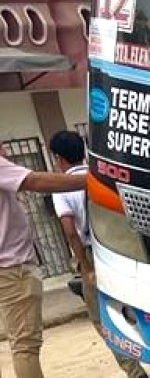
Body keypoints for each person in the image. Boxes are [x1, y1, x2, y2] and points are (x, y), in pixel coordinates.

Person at [46, 131, 148, 378]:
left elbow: (70, 232)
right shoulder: (103, 177)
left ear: (58, 158)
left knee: (102, 318)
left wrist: (85, 267)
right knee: (139, 307)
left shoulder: (62, 187)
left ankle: (135, 372)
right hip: (125, 248)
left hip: (95, 253)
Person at [0, 140, 87, 378]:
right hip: (12, 267)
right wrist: (93, 180)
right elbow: (35, 181)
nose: (5, 151)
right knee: (25, 346)